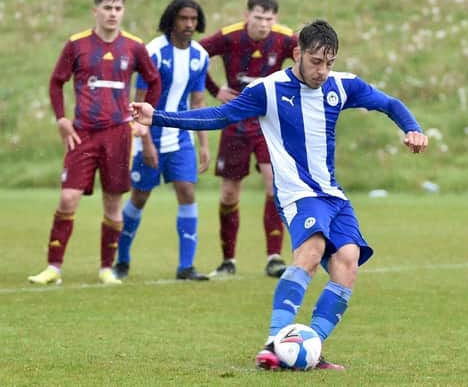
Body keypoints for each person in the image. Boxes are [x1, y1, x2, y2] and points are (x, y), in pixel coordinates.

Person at [130, 19, 429, 369]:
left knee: (347, 264)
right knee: (313, 250)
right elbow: (219, 116)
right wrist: (158, 117)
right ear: (298, 53)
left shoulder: (342, 85)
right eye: (316, 62)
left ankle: (309, 346)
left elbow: (389, 103)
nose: (323, 71)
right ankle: (274, 343)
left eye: (329, 62)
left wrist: (413, 128)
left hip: (333, 195)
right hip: (298, 194)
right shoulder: (267, 90)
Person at [28, 0, 161, 286]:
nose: (113, 14)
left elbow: (153, 81)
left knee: (113, 204)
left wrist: (144, 121)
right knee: (68, 198)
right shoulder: (77, 45)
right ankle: (53, 267)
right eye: (107, 8)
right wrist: (62, 119)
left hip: (118, 134)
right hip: (83, 133)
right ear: (96, 11)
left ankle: (106, 268)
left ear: (123, 12)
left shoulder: (134, 47)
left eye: (118, 9)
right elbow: (55, 82)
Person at [199, 0, 298, 278]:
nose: (264, 23)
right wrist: (215, 89)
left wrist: (289, 95)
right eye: (258, 17)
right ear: (247, 16)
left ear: (275, 19)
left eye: (269, 18)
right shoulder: (229, 36)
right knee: (229, 193)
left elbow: (305, 62)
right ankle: (228, 260)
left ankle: (274, 257)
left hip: (268, 122)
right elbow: (195, 55)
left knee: (274, 185)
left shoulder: (284, 38)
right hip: (236, 121)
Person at [112, 0, 210, 281]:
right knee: (139, 197)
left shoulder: (200, 56)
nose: (189, 24)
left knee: (187, 191)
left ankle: (186, 267)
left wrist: (203, 144)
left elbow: (198, 102)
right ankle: (122, 260)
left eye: (193, 19)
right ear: (172, 20)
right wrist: (145, 143)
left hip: (180, 139)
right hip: (150, 135)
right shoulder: (153, 52)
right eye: (184, 19)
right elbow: (138, 102)